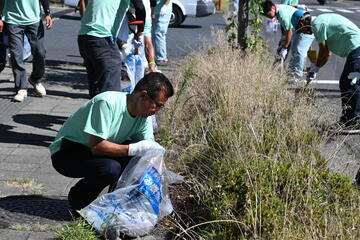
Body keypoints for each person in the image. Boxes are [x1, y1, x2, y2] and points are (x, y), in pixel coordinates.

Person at [49, 72, 174, 213]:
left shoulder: (143, 116)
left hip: (93, 152)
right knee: (111, 168)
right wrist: (135, 149)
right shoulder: (107, 103)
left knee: (138, 161)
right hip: (67, 153)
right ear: (143, 95)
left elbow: (147, 151)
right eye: (157, 105)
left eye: (160, 107)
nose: (156, 111)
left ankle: (115, 206)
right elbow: (97, 147)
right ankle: (78, 201)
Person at [291, 10, 360, 129]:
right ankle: (349, 120)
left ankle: (354, 122)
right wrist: (316, 67)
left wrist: (316, 67)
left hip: (357, 48)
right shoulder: (319, 22)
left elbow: (325, 52)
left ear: (302, 24)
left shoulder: (317, 24)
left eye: (300, 30)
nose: (303, 33)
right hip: (355, 49)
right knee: (347, 83)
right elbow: (327, 52)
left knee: (350, 84)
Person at [0, 0, 52, 102]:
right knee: (16, 54)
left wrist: (47, 13)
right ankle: (21, 88)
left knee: (40, 52)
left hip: (34, 19)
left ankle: (35, 79)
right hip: (12, 18)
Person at [78, 0, 130, 99]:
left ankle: (95, 113)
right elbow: (140, 7)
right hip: (102, 37)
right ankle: (106, 113)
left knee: (96, 86)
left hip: (84, 35)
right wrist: (140, 32)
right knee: (110, 89)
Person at [261, 1, 314, 79]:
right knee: (305, 47)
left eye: (268, 14)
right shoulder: (280, 8)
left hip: (304, 25)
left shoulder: (282, 15)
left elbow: (289, 33)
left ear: (273, 8)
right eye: (266, 15)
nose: (268, 17)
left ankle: (297, 74)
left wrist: (285, 48)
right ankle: (313, 67)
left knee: (298, 50)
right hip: (300, 25)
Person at [151, 0, 172, 66]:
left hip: (163, 11)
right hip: (155, 10)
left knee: (159, 33)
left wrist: (165, 6)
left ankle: (162, 58)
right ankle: (155, 57)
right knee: (153, 34)